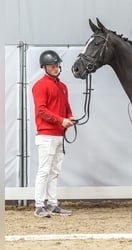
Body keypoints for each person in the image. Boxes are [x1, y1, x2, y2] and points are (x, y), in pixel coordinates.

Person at [32, 50, 75, 218]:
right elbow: (41, 110)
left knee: (55, 171)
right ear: (45, 67)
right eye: (52, 66)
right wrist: (60, 121)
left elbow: (66, 107)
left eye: (57, 65)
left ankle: (53, 203)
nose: (56, 68)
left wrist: (69, 117)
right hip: (46, 135)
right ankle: (38, 205)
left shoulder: (63, 86)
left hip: (59, 135)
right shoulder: (40, 86)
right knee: (44, 170)